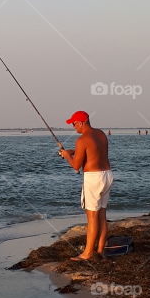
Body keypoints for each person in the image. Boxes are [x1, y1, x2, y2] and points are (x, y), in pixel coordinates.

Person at [59, 110, 113, 260]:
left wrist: (67, 156)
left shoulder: (82, 140)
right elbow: (93, 150)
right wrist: (71, 151)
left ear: (82, 122)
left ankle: (88, 253)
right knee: (102, 214)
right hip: (107, 175)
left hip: (93, 179)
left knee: (92, 216)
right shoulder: (100, 134)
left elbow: (76, 166)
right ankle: (100, 250)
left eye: (74, 123)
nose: (73, 127)